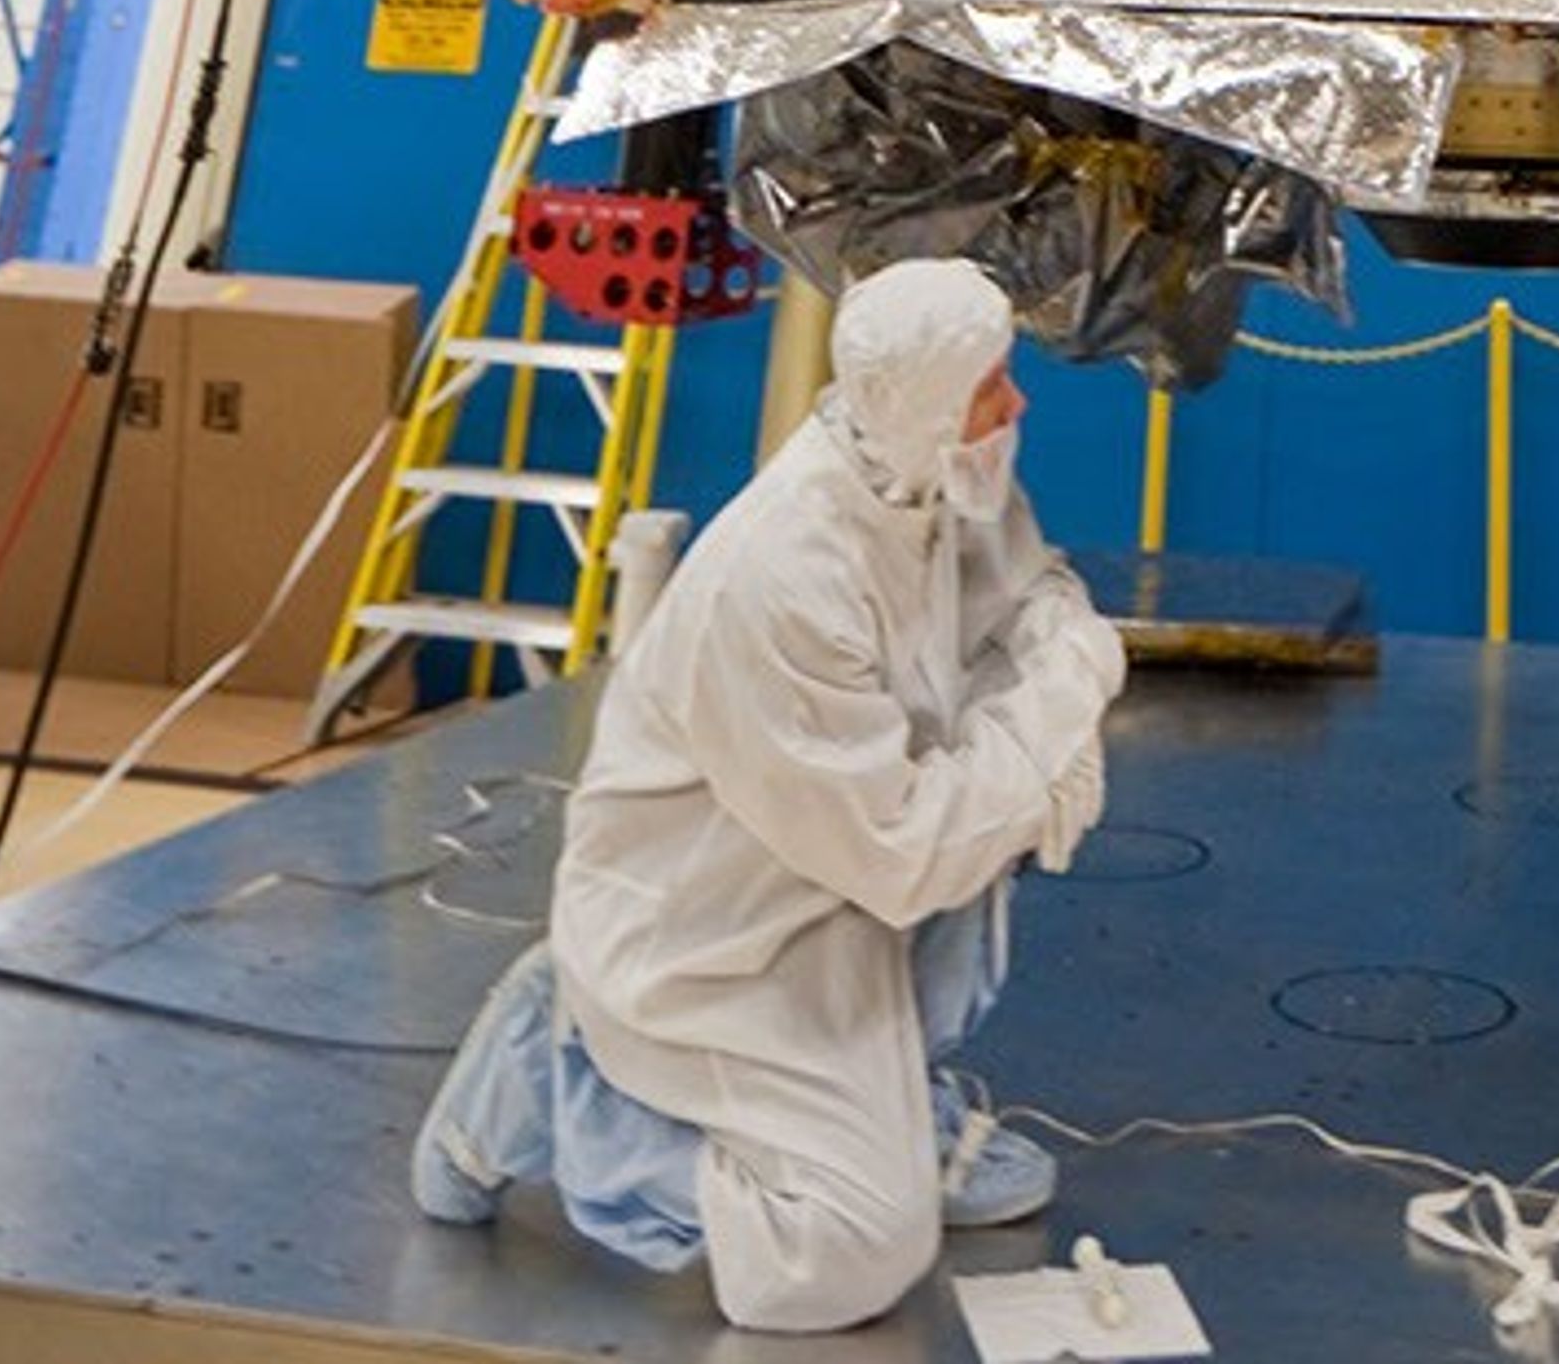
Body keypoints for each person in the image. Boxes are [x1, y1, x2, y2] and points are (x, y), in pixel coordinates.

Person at [413, 252, 1123, 1327]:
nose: (1015, 402)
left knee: (992, 820)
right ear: (928, 394)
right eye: (994, 381)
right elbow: (903, 846)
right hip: (705, 930)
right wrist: (1064, 696)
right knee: (842, 1257)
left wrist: (1051, 683)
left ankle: (891, 1104)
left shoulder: (932, 468)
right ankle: (565, 1075)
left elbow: (1034, 589)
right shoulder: (787, 571)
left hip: (820, 877)